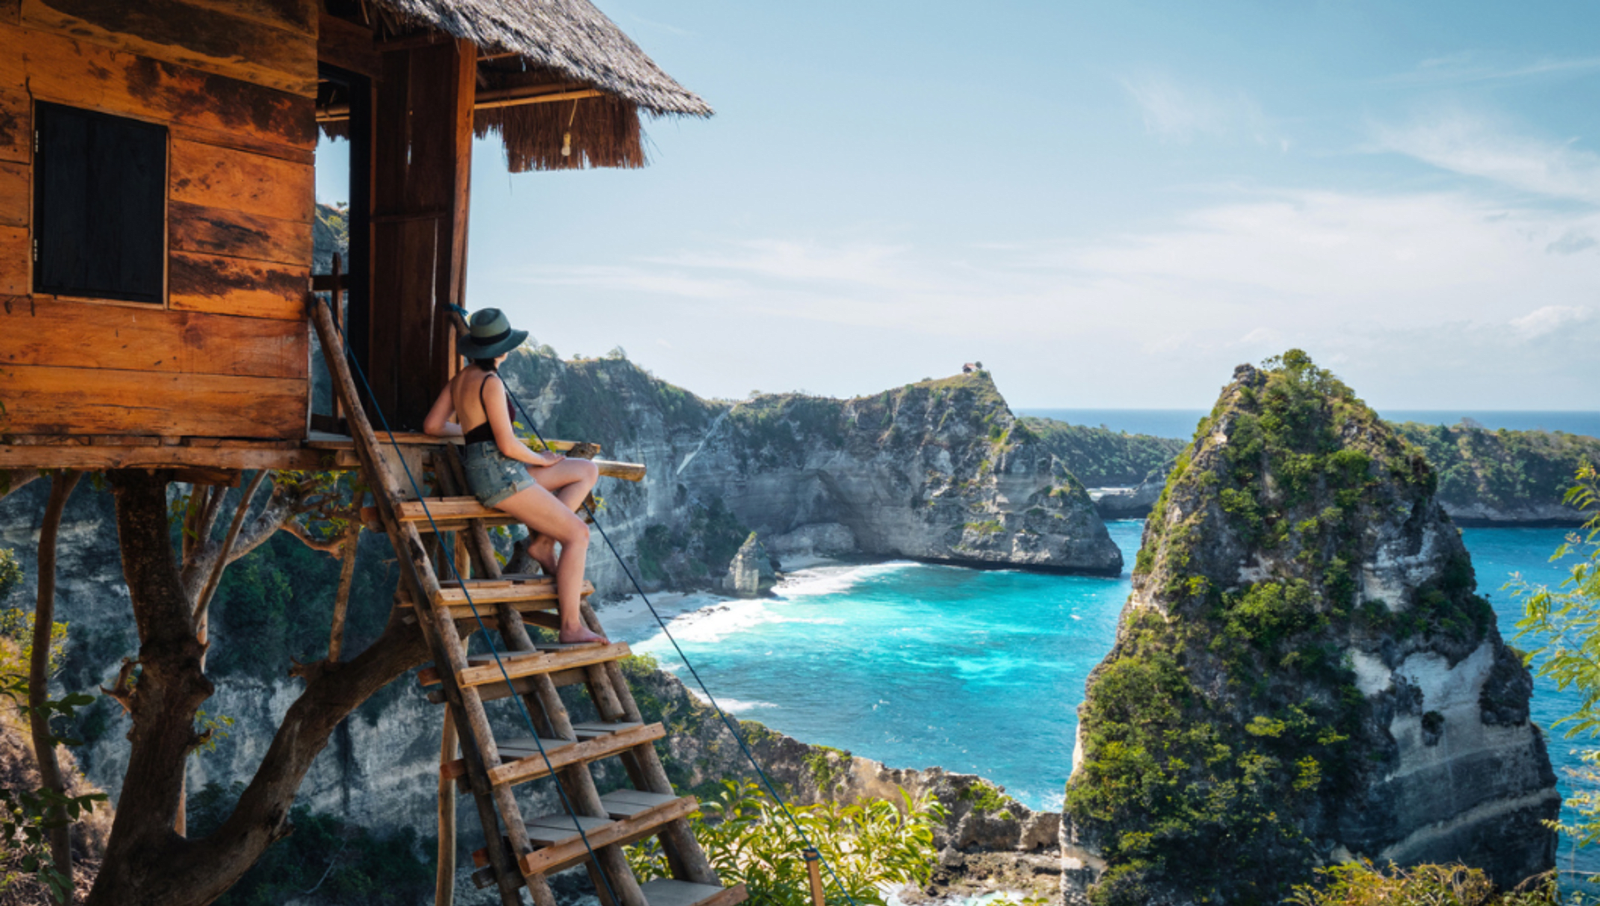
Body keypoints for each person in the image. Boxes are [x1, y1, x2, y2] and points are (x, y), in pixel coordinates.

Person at [422, 308, 605, 644]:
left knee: (585, 469)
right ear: (503, 349)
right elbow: (507, 444)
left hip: (492, 469)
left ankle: (543, 541)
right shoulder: (490, 382)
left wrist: (470, 434)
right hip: (499, 475)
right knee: (578, 534)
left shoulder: (460, 380)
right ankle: (570, 627)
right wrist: (542, 460)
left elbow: (432, 426)